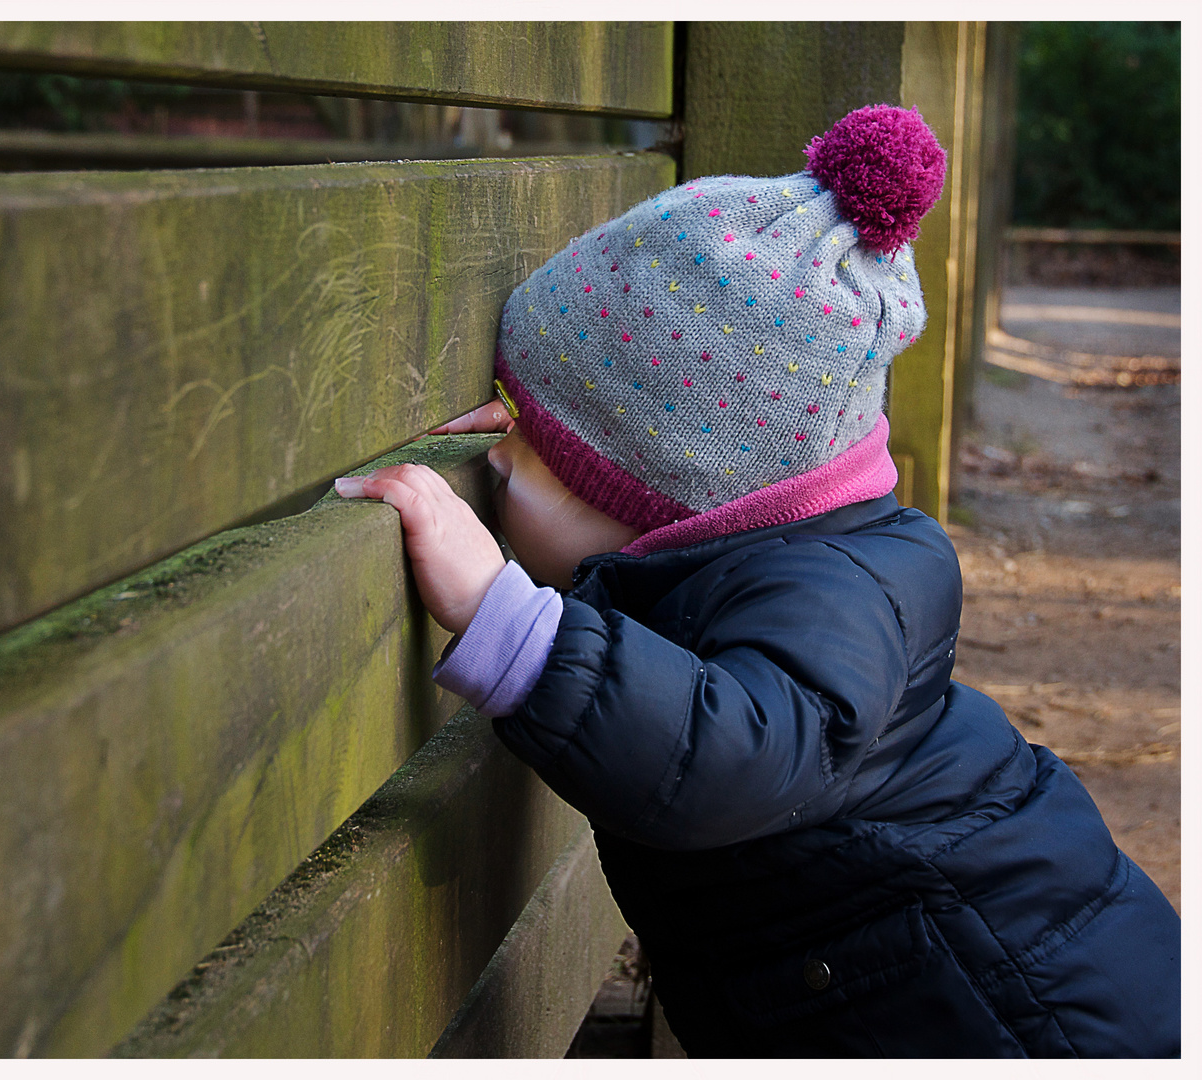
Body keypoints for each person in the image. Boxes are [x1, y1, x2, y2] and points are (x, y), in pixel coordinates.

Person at [335, 104, 1179, 1057]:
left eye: (531, 439)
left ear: (666, 496)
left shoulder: (833, 597)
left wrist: (507, 621)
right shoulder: (781, 550)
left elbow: (732, 757)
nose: (497, 459)